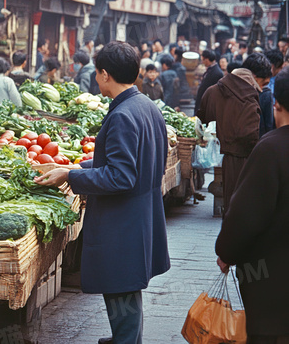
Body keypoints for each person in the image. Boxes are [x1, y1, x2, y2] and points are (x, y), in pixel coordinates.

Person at [35, 41, 170, 344]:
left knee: (122, 290)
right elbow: (132, 161)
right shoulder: (146, 106)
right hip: (140, 217)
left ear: (105, 74)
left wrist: (71, 175)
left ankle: (124, 340)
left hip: (122, 223)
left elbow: (121, 176)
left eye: (97, 73)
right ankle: (123, 337)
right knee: (126, 291)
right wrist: (76, 166)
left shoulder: (123, 115)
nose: (96, 79)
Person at [215, 67, 289, 342]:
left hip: (273, 289)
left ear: (277, 106)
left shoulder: (272, 149)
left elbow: (246, 215)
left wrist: (226, 252)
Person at [198, 64, 261, 216]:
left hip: (221, 154)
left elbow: (201, 121)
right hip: (245, 157)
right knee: (244, 205)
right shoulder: (249, 98)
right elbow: (251, 134)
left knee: (231, 203)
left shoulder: (212, 91)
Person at [242, 53, 275, 137]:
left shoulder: (266, 94)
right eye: (263, 83)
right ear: (252, 76)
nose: (261, 88)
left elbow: (269, 126)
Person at [194, 49, 224, 117]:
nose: (202, 62)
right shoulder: (211, 70)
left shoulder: (217, 73)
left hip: (208, 106)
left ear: (206, 60)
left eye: (203, 60)